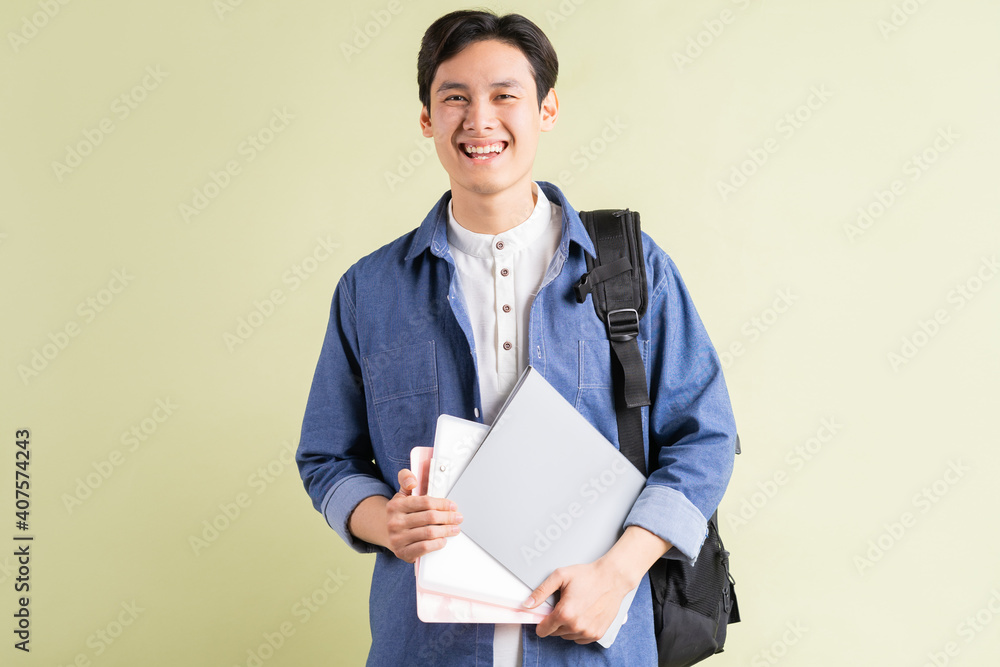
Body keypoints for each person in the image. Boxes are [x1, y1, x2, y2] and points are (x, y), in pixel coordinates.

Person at [296, 9, 737, 666]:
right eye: (455, 98)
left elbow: (705, 438)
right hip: (426, 648)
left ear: (546, 109)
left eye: (505, 95)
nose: (479, 120)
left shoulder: (629, 269)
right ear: (426, 118)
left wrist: (617, 573)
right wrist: (379, 519)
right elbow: (327, 457)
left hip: (595, 646)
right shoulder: (370, 290)